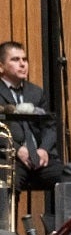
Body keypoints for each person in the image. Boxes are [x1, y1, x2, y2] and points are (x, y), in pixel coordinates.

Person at [0, 42, 62, 193]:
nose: (22, 64)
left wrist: (44, 149)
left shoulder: (36, 92)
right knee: (8, 183)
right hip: (9, 157)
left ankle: (67, 218)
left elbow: (49, 126)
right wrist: (16, 149)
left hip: (39, 157)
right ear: (1, 66)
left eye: (24, 59)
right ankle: (8, 218)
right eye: (15, 60)